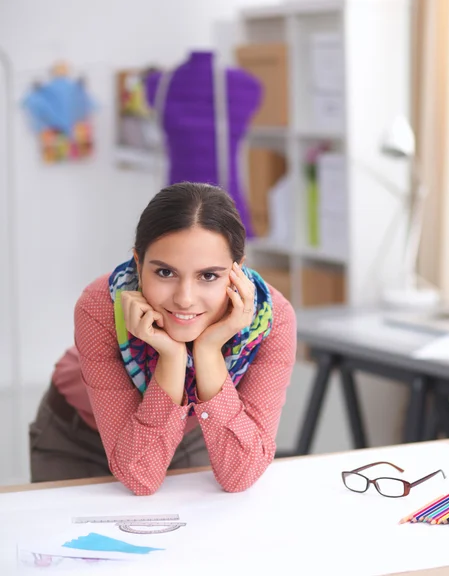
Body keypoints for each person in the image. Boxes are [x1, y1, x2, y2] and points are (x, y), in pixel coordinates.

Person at [29, 182, 297, 495]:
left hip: (192, 428)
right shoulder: (100, 307)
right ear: (138, 264)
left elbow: (240, 475)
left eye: (208, 276)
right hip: (75, 437)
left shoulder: (271, 318)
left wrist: (208, 351)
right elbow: (139, 478)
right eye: (165, 273)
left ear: (237, 271)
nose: (184, 299)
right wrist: (172, 357)